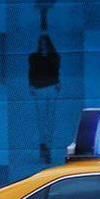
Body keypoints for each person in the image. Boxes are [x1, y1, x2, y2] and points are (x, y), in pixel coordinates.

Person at [28, 34, 60, 165]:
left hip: (52, 88)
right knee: (41, 120)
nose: (43, 46)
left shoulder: (54, 57)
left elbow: (56, 72)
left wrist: (58, 83)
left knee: (51, 121)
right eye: (41, 43)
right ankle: (43, 146)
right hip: (39, 90)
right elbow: (31, 72)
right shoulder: (34, 57)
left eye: (45, 43)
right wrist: (31, 86)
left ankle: (48, 149)